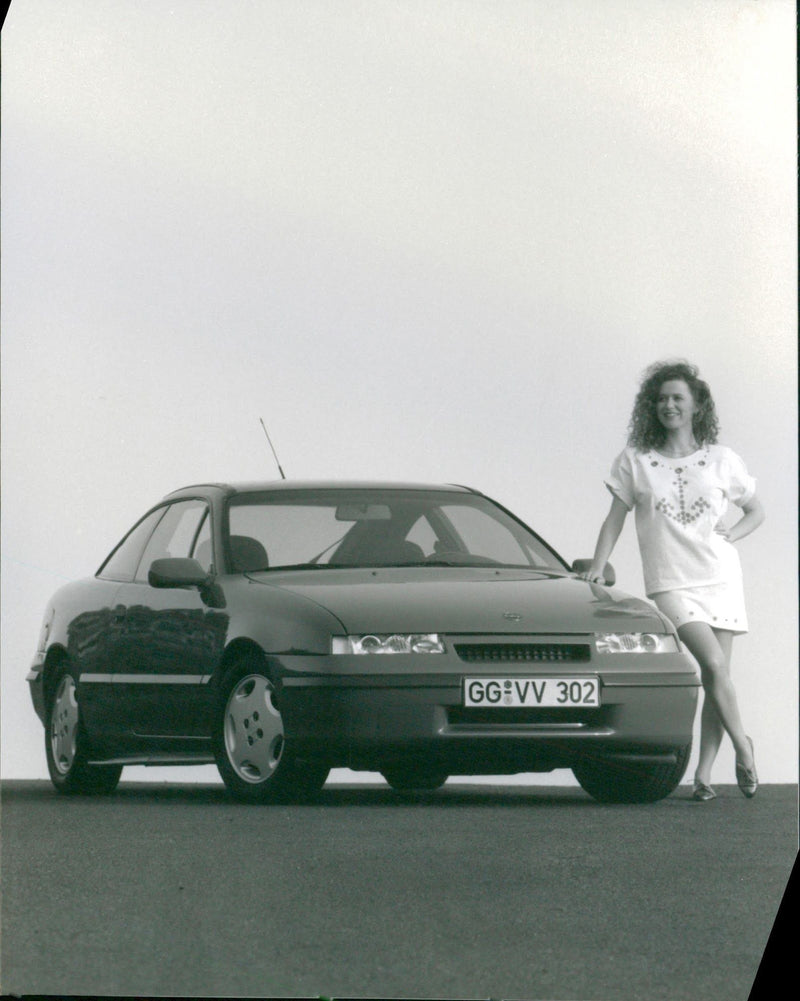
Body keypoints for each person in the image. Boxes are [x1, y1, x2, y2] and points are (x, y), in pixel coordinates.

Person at [581, 360, 765, 801]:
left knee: (716, 678)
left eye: (678, 397)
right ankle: (745, 748)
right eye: (661, 398)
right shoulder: (636, 461)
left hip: (719, 575)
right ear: (652, 406)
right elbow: (614, 521)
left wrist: (731, 535)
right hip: (671, 580)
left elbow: (757, 510)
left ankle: (703, 777)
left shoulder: (723, 459)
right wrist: (596, 564)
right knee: (714, 666)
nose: (669, 405)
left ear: (696, 405)